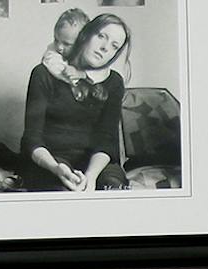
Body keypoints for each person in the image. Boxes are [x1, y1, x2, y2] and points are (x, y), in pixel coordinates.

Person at [21, 12, 131, 193]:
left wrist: (91, 176)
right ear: (85, 35)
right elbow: (32, 139)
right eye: (101, 36)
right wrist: (57, 168)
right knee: (63, 191)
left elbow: (107, 140)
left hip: (94, 162)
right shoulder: (43, 73)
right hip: (50, 160)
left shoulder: (113, 82)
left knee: (113, 187)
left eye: (114, 46)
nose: (104, 48)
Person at [42, 8, 91, 85]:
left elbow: (100, 70)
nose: (59, 47)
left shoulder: (89, 54)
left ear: (82, 44)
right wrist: (69, 73)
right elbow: (54, 65)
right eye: (56, 40)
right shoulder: (52, 52)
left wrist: (82, 74)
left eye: (67, 44)